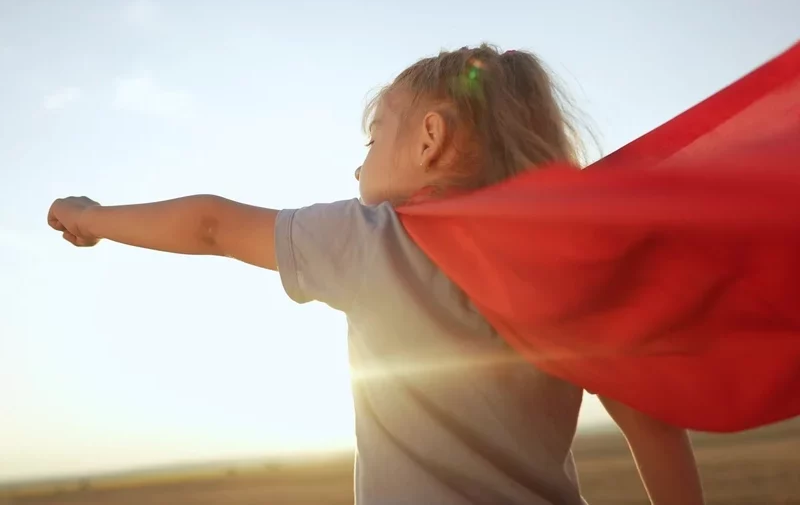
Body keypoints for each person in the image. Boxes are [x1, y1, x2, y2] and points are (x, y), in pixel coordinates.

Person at [47, 44, 704, 505]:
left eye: (373, 137)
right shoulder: (571, 267)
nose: (359, 163)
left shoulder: (375, 240)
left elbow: (211, 225)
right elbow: (652, 427)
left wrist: (91, 216)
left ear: (429, 139)